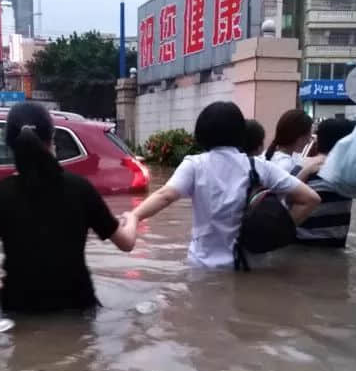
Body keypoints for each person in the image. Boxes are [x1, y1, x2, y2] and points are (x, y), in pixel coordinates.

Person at [0, 102, 138, 314]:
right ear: (52, 141)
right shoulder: (80, 188)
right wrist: (132, 219)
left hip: (19, 312)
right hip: (78, 310)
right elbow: (126, 243)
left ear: (10, 145)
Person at [130, 102, 320, 268]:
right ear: (240, 133)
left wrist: (134, 216)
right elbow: (311, 199)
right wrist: (279, 231)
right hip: (252, 267)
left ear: (201, 133)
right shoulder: (260, 167)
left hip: (203, 267)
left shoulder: (195, 165)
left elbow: (165, 195)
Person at [292, 119, 356, 248]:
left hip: (299, 244)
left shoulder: (302, 164)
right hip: (331, 246)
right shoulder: (347, 172)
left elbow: (285, 199)